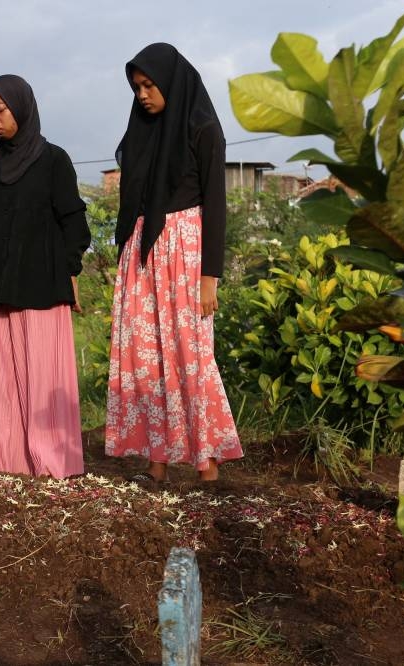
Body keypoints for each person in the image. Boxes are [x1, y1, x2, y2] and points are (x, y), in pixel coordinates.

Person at [105, 43, 243, 486]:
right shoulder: (141, 133)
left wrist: (210, 277)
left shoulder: (203, 129)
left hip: (185, 249)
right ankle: (156, 463)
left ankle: (207, 465)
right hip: (141, 250)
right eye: (136, 87)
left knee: (191, 355)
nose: (143, 94)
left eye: (149, 85)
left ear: (171, 80)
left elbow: (216, 205)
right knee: (144, 360)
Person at [0, 74, 91, 479]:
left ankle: (51, 464)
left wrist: (70, 270)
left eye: (0, 109)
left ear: (23, 106)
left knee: (44, 379)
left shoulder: (54, 161)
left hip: (43, 287)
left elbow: (73, 223)